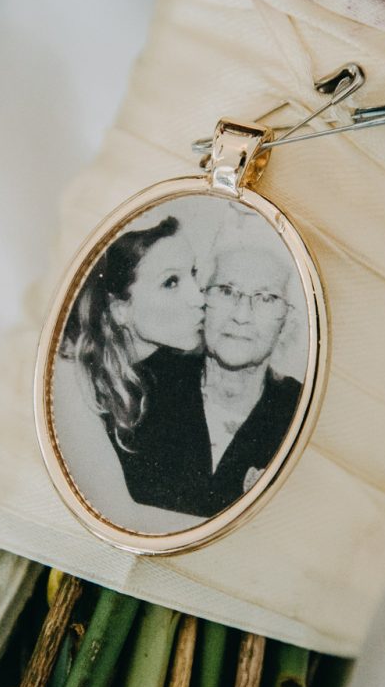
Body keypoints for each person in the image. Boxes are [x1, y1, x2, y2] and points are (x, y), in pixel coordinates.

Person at [116, 211, 303, 518]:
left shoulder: (300, 413)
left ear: (288, 320)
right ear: (203, 299)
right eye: (226, 291)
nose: (241, 315)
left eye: (266, 298)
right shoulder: (137, 387)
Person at [58, 215, 206, 509]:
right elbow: (116, 512)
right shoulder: (70, 373)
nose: (198, 298)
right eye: (171, 282)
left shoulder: (181, 365)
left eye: (193, 273)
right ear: (120, 310)